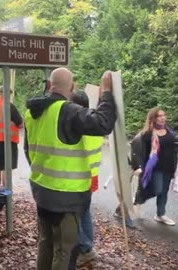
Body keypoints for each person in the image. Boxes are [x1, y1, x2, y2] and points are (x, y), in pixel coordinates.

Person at [24, 68, 116, 270]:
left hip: (41, 191)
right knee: (65, 251)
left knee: (46, 243)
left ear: (49, 85)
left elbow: (27, 151)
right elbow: (103, 123)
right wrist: (107, 93)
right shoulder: (68, 111)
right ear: (72, 88)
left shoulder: (32, 113)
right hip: (66, 196)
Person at [67, 91, 104, 268]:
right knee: (85, 213)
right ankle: (87, 248)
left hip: (79, 176)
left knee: (72, 216)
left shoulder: (80, 123)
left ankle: (86, 248)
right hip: (92, 175)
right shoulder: (94, 123)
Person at [131, 107, 178, 226]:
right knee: (157, 189)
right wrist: (138, 166)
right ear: (153, 118)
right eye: (159, 116)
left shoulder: (169, 131)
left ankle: (160, 214)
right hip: (154, 168)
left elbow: (174, 147)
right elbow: (137, 150)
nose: (163, 118)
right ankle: (139, 199)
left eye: (164, 115)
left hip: (168, 166)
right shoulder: (147, 134)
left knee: (164, 191)